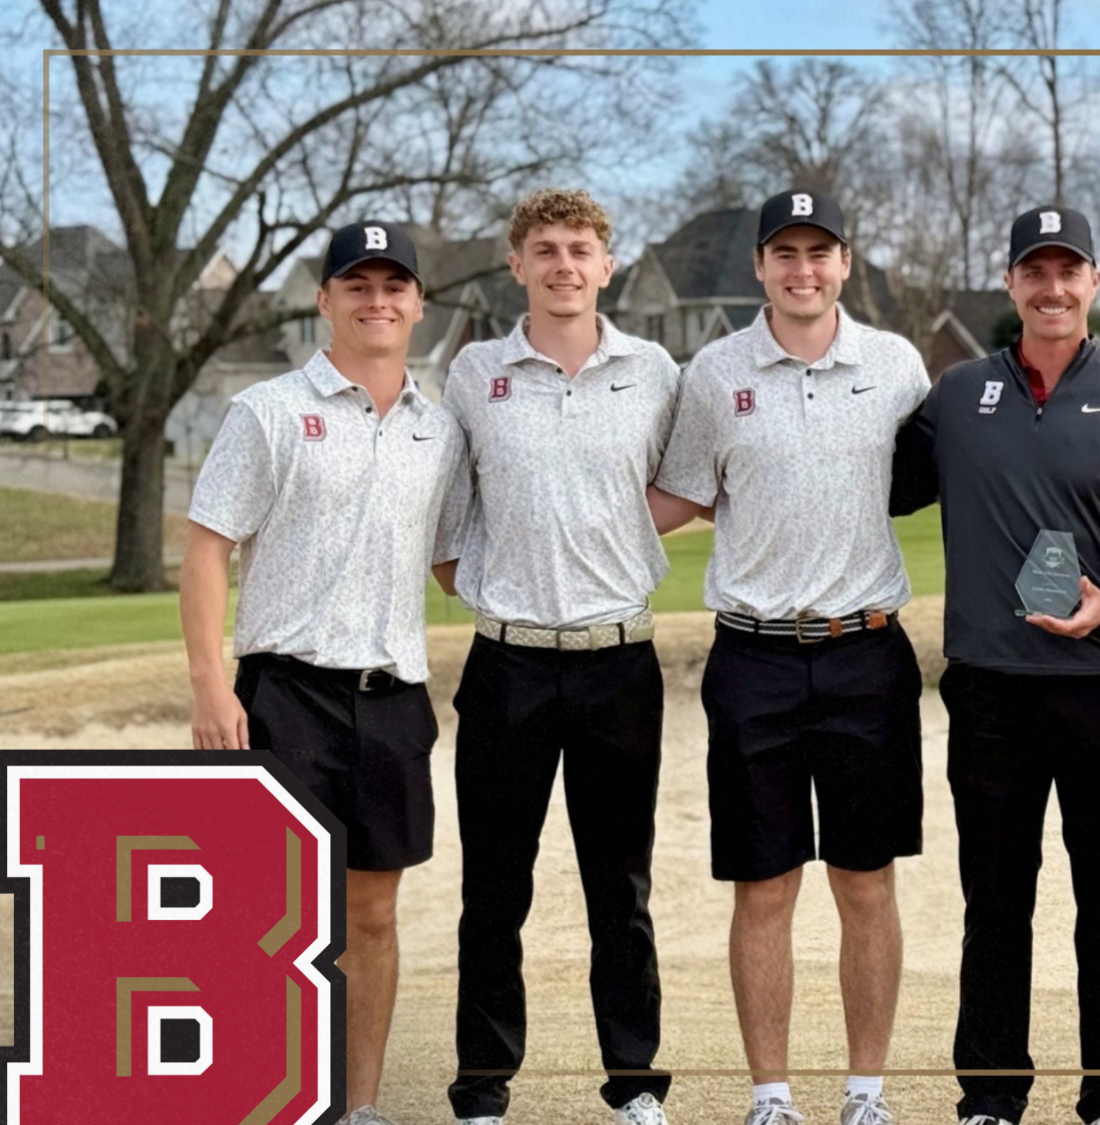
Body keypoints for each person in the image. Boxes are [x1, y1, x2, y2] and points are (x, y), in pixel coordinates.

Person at [892, 204, 1100, 1125]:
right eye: (1035, 271)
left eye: (1069, 270)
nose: (1053, 287)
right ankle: (991, 1096)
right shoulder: (957, 396)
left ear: (1095, 281)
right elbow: (879, 486)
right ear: (1011, 285)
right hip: (990, 687)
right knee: (994, 903)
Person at [651, 190, 930, 1125]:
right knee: (763, 883)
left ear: (845, 262)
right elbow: (676, 498)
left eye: (820, 253)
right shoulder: (713, 371)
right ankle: (770, 1095)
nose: (802, 270)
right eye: (785, 254)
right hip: (754, 657)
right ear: (761, 266)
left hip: (868, 653)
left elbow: (964, 478)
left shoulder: (895, 365)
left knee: (865, 881)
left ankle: (867, 1091)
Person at [180, 220, 461, 1125]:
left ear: (418, 301)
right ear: (324, 299)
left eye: (394, 285)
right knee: (268, 915)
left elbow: (455, 559)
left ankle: (359, 1105)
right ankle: (255, 1094)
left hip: (393, 698)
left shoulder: (440, 429)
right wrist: (210, 684)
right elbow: (207, 547)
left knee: (371, 915)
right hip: (284, 692)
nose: (377, 300)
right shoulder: (266, 412)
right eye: (357, 284)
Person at [432, 188, 679, 1125]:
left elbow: (686, 485)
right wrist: (498, 588)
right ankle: (483, 1087)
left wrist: (606, 540)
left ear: (607, 265)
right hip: (509, 664)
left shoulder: (654, 370)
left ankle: (633, 1083)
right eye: (545, 249)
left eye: (581, 249)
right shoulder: (473, 374)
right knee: (494, 886)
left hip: (620, 660)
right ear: (518, 265)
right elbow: (450, 525)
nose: (563, 264)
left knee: (620, 885)